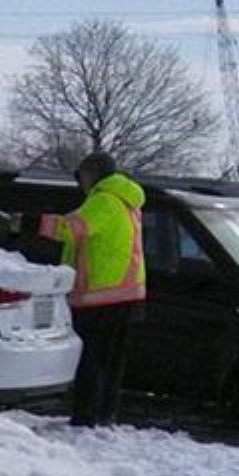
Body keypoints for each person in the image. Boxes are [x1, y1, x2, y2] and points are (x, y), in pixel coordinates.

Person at [37, 152, 147, 426]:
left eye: (81, 176)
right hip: (125, 294)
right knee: (111, 362)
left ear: (92, 174)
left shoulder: (104, 201)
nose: (80, 183)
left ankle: (86, 416)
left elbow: (70, 229)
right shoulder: (125, 201)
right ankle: (104, 414)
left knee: (91, 360)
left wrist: (26, 223)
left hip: (102, 296)